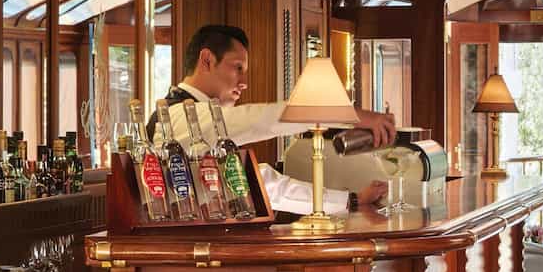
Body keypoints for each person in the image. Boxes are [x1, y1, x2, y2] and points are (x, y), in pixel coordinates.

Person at [153, 24, 394, 215]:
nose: (244, 83)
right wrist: (352, 116)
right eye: (237, 68)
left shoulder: (202, 123)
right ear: (206, 60)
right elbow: (261, 120)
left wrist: (351, 201)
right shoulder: (177, 116)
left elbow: (265, 185)